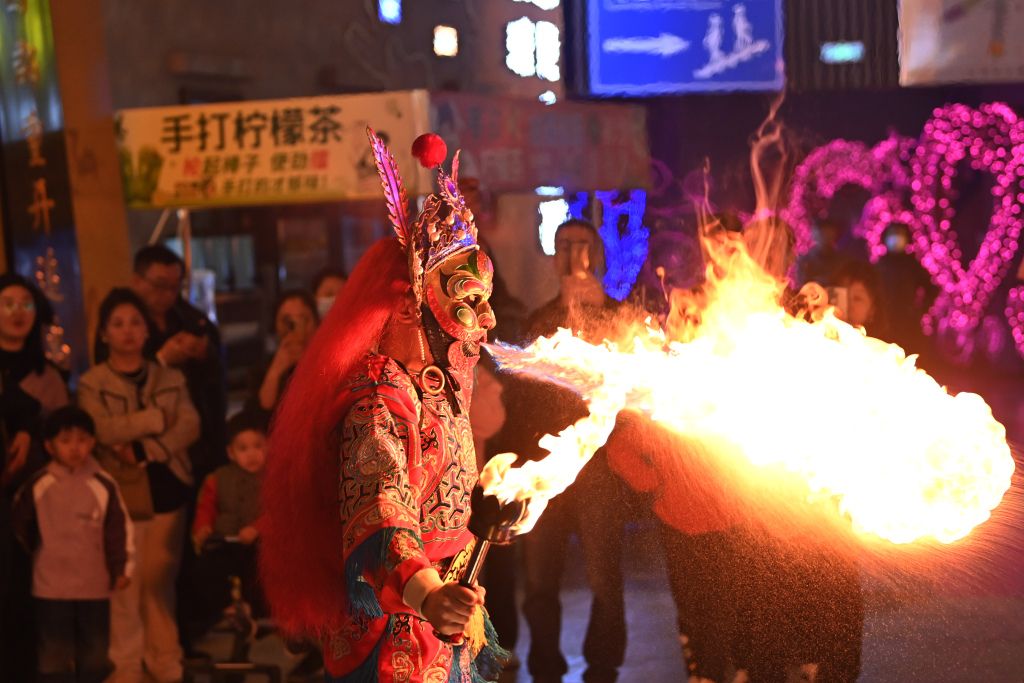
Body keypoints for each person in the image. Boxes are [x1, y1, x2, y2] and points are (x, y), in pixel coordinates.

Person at [260, 130, 511, 682]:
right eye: (469, 299)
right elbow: (380, 513)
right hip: (397, 628)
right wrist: (430, 595)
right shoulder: (379, 398)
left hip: (444, 614)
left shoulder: (434, 388)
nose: (488, 318)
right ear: (411, 304)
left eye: (485, 300)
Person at [492, 218, 628, 683]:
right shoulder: (540, 320)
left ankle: (603, 666)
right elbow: (525, 396)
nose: (573, 256)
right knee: (540, 580)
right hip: (545, 462)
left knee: (604, 578)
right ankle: (546, 667)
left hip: (600, 469)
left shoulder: (618, 317)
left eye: (582, 245)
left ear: (599, 254)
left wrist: (595, 312)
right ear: (553, 257)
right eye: (564, 246)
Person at [80, 287, 200, 683]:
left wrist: (147, 447)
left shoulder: (170, 376)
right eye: (117, 324)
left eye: (135, 322)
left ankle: (165, 660)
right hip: (119, 491)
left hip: (168, 486)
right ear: (104, 334)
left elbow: (189, 425)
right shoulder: (93, 382)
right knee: (124, 582)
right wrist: (154, 419)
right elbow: (100, 429)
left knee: (158, 581)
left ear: (147, 330)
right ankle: (126, 665)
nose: (128, 331)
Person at [605, 410, 740, 683]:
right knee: (695, 605)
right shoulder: (667, 408)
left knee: (725, 605)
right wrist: (651, 481)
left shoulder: (722, 408)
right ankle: (705, 673)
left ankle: (720, 670)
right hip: (680, 520)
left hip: (726, 521)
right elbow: (620, 446)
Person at [11, 406, 133, 683]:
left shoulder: (103, 483)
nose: (75, 448)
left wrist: (121, 568)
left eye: (82, 440)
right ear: (49, 446)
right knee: (53, 653)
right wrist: (39, 554)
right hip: (50, 586)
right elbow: (19, 523)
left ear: (92, 442)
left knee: (95, 654)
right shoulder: (39, 484)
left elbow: (118, 529)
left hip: (94, 585)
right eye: (65, 441)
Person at [95, 245, 227, 481]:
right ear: (137, 281)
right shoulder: (119, 321)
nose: (167, 294)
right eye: (159, 285)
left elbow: (215, 375)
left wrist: (203, 352)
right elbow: (113, 381)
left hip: (200, 440)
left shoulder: (188, 317)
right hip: (140, 452)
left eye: (175, 287)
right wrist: (161, 360)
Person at [0, 273, 70, 682]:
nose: (17, 313)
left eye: (26, 304)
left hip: (38, 500)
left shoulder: (50, 376)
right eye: (7, 303)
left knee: (29, 593)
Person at [191, 410, 268, 632]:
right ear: (231, 453)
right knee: (206, 570)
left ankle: (255, 613)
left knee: (258, 574)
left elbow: (277, 512)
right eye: (243, 449)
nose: (251, 454)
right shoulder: (218, 478)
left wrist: (257, 528)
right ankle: (230, 609)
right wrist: (202, 528)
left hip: (259, 545)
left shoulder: (272, 478)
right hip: (225, 541)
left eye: (258, 446)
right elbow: (206, 507)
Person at [249, 290, 319, 416]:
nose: (295, 327)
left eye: (304, 319)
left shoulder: (331, 363)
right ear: (276, 326)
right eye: (287, 321)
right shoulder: (262, 368)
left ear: (316, 323)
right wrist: (275, 371)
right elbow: (261, 411)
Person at [874, 223, 936, 355]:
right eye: (892, 234)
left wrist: (921, 308)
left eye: (900, 234)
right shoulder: (879, 265)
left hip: (908, 321)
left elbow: (931, 288)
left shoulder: (912, 265)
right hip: (883, 320)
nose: (896, 238)